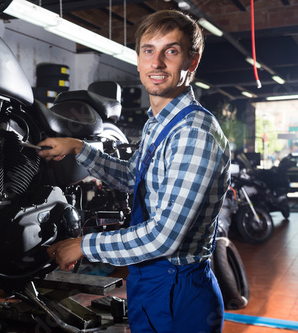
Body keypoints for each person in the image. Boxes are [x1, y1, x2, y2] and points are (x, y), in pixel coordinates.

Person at [37, 9, 231, 333]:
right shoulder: (159, 124)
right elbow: (131, 177)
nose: (156, 63)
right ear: (138, 59)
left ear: (192, 61)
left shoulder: (195, 134)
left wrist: (84, 244)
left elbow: (162, 237)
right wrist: (78, 147)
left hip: (177, 293)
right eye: (148, 50)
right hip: (150, 286)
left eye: (171, 51)